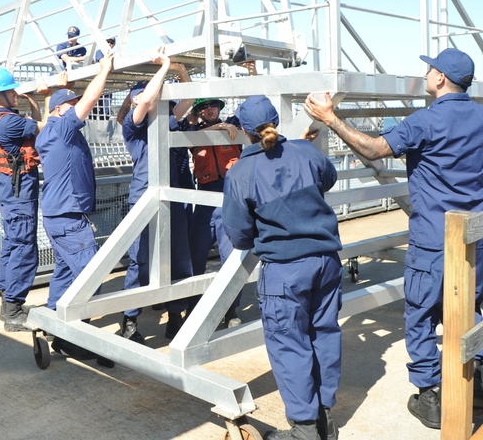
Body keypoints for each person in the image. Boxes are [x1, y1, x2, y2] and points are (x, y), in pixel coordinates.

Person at [305, 48, 483, 429]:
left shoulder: (424, 121)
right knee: (467, 310)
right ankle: (472, 385)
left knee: (422, 314)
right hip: (476, 236)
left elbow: (375, 149)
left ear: (441, 78)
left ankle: (429, 396)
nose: (426, 74)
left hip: (434, 238)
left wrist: (330, 118)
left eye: (429, 69)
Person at [222, 95, 341, 440]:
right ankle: (324, 420)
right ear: (276, 120)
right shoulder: (306, 152)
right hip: (326, 261)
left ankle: (303, 431)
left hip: (285, 270)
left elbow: (240, 235)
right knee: (325, 336)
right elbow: (328, 179)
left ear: (244, 131)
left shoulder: (242, 172)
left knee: (290, 345)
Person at [35, 48, 114, 357]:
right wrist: (103, 70)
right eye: (69, 106)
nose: (75, 110)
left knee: (66, 273)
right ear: (60, 112)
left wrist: (51, 94)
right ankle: (75, 338)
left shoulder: (50, 130)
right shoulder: (63, 128)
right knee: (89, 275)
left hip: (59, 216)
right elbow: (89, 101)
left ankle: (55, 322)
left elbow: (50, 113)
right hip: (67, 217)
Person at [115, 49, 195, 343]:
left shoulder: (164, 117)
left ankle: (175, 316)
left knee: (177, 258)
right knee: (140, 261)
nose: (158, 103)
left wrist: (182, 71)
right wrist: (162, 68)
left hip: (171, 198)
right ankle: (130, 320)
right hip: (144, 199)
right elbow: (147, 99)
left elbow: (188, 101)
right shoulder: (133, 126)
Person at [0, 67, 45, 331]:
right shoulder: (11, 122)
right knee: (24, 248)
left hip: (10, 188)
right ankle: (13, 312)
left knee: (12, 244)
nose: (16, 94)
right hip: (20, 190)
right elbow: (45, 126)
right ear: (0, 95)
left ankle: (7, 304)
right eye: (12, 91)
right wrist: (46, 95)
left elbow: (35, 127)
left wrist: (31, 101)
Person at [182, 97, 244, 327]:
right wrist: (219, 127)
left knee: (231, 258)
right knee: (195, 257)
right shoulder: (192, 131)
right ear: (198, 112)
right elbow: (185, 123)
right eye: (204, 107)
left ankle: (230, 310)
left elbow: (250, 108)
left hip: (230, 198)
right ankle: (193, 306)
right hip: (204, 201)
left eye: (213, 106)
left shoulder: (234, 126)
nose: (210, 109)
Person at [91, 37, 116, 119]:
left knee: (106, 111)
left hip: (108, 86)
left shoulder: (114, 54)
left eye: (111, 43)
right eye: (108, 42)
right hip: (98, 84)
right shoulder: (100, 52)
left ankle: (105, 130)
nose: (109, 44)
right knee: (94, 109)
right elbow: (105, 65)